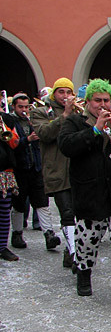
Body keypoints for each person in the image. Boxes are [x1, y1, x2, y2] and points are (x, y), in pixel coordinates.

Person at [57, 79, 111, 309]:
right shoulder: (75, 122)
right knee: (87, 240)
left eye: (106, 100)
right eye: (98, 100)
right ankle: (84, 274)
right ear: (88, 102)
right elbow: (67, 146)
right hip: (90, 192)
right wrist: (96, 129)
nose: (103, 104)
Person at [30, 78, 77, 269]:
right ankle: (75, 254)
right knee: (67, 212)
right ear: (54, 93)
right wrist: (65, 116)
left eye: (68, 92)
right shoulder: (41, 111)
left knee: (80, 214)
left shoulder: (77, 110)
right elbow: (45, 133)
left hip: (77, 168)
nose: (65, 96)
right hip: (57, 170)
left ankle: (71, 250)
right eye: (61, 92)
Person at [9, 94, 62, 251]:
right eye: (21, 107)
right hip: (20, 169)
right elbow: (11, 144)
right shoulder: (10, 122)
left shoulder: (33, 120)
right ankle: (17, 234)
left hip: (36, 168)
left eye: (26, 106)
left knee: (42, 202)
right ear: (14, 107)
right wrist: (28, 139)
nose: (25, 110)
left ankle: (49, 234)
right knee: (19, 203)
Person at [0, 108, 20, 262]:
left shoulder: (7, 119)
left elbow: (14, 143)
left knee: (4, 211)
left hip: (4, 171)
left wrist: (3, 125)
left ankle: (2, 247)